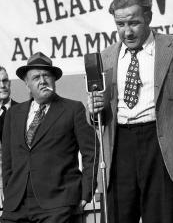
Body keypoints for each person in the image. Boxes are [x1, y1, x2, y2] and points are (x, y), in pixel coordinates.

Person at [87, 0, 173, 223]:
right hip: (120, 145)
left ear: (149, 18)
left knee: (162, 216)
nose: (127, 31)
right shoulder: (105, 57)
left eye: (134, 23)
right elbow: (97, 118)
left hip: (162, 145)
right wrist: (93, 110)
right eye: (120, 24)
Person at [1, 52, 99, 223]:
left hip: (58, 205)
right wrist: (10, 192)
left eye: (46, 75)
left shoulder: (73, 109)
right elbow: (7, 160)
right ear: (27, 83)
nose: (42, 81)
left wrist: (86, 192)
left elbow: (92, 152)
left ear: (54, 79)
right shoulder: (13, 114)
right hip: (16, 206)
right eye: (36, 77)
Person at [0, 66, 17, 210]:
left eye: (5, 81)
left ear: (10, 83)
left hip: (16, 185)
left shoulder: (23, 111)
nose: (2, 85)